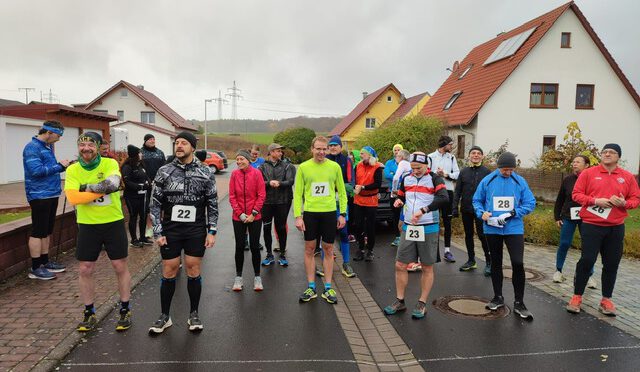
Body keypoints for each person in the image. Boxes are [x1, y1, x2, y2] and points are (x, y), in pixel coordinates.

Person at [148, 131, 218, 333]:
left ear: (193, 147)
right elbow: (155, 204)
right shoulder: (164, 171)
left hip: (195, 228)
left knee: (193, 268)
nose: (179, 146)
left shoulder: (205, 172)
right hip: (171, 229)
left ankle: (194, 314)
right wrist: (157, 232)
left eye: (184, 143)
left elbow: (212, 204)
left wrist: (211, 231)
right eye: (176, 143)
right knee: (169, 268)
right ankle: (164, 316)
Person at [64, 131, 132, 332]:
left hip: (113, 222)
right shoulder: (73, 170)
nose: (86, 149)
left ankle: (125, 309)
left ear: (99, 147)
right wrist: (97, 189)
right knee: (85, 268)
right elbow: (74, 199)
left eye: (90, 145)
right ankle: (89, 312)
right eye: (82, 145)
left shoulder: (110, 164)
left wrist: (84, 188)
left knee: (119, 265)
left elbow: (112, 185)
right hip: (87, 224)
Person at [566, 144, 640, 316]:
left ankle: (606, 299)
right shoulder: (588, 173)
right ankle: (577, 296)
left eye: (611, 152)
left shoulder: (627, 177)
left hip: (615, 227)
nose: (607, 154)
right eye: (604, 152)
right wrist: (595, 201)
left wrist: (625, 203)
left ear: (618, 157)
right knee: (587, 260)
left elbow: (635, 199)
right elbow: (576, 194)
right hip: (592, 225)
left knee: (612, 263)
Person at [383, 152, 448, 319]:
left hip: (428, 227)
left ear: (427, 166)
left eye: (419, 168)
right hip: (409, 227)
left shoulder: (435, 179)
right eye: (413, 168)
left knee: (426, 266)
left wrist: (423, 210)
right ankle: (400, 301)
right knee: (400, 264)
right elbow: (402, 194)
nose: (415, 171)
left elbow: (443, 198)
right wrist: (399, 200)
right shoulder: (407, 178)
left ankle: (422, 302)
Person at [472, 152, 536, 320]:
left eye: (511, 170)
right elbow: (476, 200)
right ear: (499, 167)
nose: (508, 173)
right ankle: (498, 297)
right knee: (496, 262)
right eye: (505, 170)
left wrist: (514, 212)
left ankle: (519, 302)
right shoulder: (488, 180)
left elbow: (530, 203)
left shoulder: (519, 181)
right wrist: (481, 213)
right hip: (492, 228)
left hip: (513, 228)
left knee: (517, 262)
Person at [294, 136, 347, 304]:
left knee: (329, 249)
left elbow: (342, 192)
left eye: (324, 149)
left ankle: (328, 287)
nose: (321, 152)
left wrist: (342, 213)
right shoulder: (303, 167)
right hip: (310, 213)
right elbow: (297, 194)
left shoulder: (335, 167)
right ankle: (311, 286)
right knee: (309, 249)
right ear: (312, 149)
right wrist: (298, 216)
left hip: (329, 213)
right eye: (318, 149)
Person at [22, 120, 69, 280]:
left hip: (51, 194)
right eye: (58, 135)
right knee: (38, 231)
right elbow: (36, 171)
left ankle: (45, 261)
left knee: (47, 230)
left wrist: (59, 166)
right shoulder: (32, 148)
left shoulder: (46, 147)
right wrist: (60, 166)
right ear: (48, 132)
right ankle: (35, 267)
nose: (59, 139)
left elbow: (46, 169)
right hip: (39, 195)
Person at [552, 155, 597, 288]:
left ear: (587, 165)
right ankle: (558, 271)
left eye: (578, 162)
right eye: (573, 162)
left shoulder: (593, 179)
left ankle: (589, 275)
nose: (574, 164)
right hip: (568, 216)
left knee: (588, 245)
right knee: (564, 243)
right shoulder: (568, 180)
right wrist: (557, 217)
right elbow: (560, 199)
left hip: (588, 217)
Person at [317, 135, 356, 278]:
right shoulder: (322, 161)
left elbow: (351, 184)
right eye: (331, 145)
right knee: (326, 235)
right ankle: (324, 265)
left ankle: (346, 264)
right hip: (325, 204)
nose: (333, 147)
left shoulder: (346, 161)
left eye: (336, 145)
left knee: (344, 233)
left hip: (341, 203)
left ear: (341, 147)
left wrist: (341, 188)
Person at [229, 150, 266, 291]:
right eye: (237, 159)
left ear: (248, 160)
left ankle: (257, 277)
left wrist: (253, 214)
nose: (239, 162)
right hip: (238, 217)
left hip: (255, 216)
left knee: (255, 246)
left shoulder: (257, 174)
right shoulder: (234, 174)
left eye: (241, 159)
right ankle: (238, 277)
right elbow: (232, 196)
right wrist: (240, 214)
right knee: (239, 246)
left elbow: (261, 195)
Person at [452, 146, 491, 274]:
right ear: (469, 156)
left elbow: (491, 193)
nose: (475, 155)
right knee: (468, 235)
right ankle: (471, 260)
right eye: (473, 153)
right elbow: (457, 191)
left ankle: (489, 262)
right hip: (466, 208)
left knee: (482, 235)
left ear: (482, 156)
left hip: (482, 211)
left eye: (478, 153)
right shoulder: (463, 172)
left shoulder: (487, 172)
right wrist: (455, 207)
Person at [259, 143, 295, 267]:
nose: (280, 153)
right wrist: (269, 183)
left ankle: (282, 254)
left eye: (280, 151)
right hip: (267, 202)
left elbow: (290, 181)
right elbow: (258, 182)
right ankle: (269, 254)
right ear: (271, 152)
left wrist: (279, 183)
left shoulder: (288, 166)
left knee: (281, 228)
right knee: (267, 228)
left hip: (283, 201)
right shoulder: (262, 167)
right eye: (277, 151)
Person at [428, 135, 460, 263]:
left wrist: (446, 174)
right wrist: (437, 173)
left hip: (448, 192)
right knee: (432, 221)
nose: (452, 147)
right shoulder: (430, 157)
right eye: (450, 144)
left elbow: (458, 174)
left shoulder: (451, 158)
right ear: (444, 144)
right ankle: (431, 251)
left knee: (447, 222)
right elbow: (426, 173)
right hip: (434, 193)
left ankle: (447, 251)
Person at [352, 146, 383, 262]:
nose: (360, 156)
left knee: (370, 226)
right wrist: (355, 186)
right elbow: (355, 181)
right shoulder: (358, 166)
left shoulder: (377, 167)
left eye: (363, 154)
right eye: (360, 154)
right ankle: (360, 249)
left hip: (371, 200)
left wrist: (363, 187)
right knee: (358, 225)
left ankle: (370, 250)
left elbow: (378, 184)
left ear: (370, 155)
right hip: (358, 200)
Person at [121, 145, 151, 248]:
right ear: (135, 155)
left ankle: (143, 237)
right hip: (132, 196)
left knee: (143, 216)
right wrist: (139, 186)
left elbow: (146, 176)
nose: (141, 154)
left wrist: (148, 183)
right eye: (139, 153)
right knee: (134, 216)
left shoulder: (141, 164)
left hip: (143, 196)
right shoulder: (127, 167)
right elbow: (127, 181)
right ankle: (134, 239)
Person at [141, 134, 166, 240]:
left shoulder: (160, 153)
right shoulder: (141, 152)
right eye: (150, 139)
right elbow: (139, 168)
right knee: (148, 208)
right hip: (147, 183)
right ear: (145, 141)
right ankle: (149, 228)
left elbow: (165, 167)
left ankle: (160, 226)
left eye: (153, 139)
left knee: (160, 206)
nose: (152, 141)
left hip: (159, 183)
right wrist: (147, 180)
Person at [385, 144, 404, 247]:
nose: (397, 152)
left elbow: (407, 175)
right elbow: (387, 175)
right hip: (394, 193)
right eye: (395, 150)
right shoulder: (389, 163)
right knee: (395, 215)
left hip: (405, 193)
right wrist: (398, 176)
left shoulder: (406, 163)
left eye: (399, 150)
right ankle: (397, 237)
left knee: (405, 215)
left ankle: (404, 236)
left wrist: (395, 174)